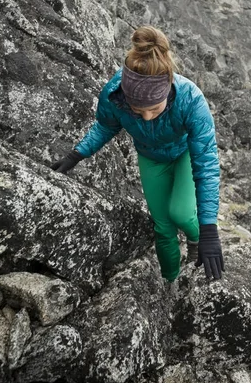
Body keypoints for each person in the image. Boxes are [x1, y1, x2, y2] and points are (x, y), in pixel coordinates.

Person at [51, 25, 224, 282]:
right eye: (136, 109)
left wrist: (209, 229)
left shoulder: (191, 100)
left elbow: (206, 164)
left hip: (184, 155)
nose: (145, 116)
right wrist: (76, 155)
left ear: (166, 91)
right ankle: (170, 281)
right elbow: (105, 126)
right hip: (151, 158)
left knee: (182, 213)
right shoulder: (114, 93)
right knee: (163, 227)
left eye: (154, 108)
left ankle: (197, 240)